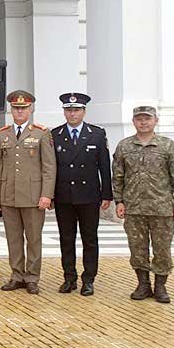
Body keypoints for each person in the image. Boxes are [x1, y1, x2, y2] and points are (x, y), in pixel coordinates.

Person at [112, 105, 174, 304]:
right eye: (139, 119)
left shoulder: (167, 146)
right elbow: (118, 177)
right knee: (137, 248)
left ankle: (161, 286)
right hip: (134, 207)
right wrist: (119, 201)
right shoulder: (124, 146)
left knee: (162, 249)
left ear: (156, 120)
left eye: (147, 118)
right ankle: (143, 284)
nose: (143, 122)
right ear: (133, 122)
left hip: (161, 207)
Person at [0, 91, 55, 295]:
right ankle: (16, 275)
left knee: (34, 238)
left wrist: (47, 194)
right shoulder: (2, 133)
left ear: (31, 109)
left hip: (33, 195)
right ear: (11, 109)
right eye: (16, 108)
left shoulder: (41, 133)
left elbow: (49, 167)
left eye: (24, 108)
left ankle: (32, 277)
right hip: (9, 194)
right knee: (13, 238)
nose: (19, 111)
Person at [52, 92, 112, 296]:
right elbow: (51, 169)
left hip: (88, 195)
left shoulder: (96, 134)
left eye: (76, 110)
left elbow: (104, 166)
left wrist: (107, 194)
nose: (72, 114)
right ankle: (69, 278)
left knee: (89, 238)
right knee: (66, 238)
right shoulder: (55, 134)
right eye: (68, 110)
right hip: (64, 196)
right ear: (64, 112)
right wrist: (50, 195)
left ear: (84, 111)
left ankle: (88, 279)